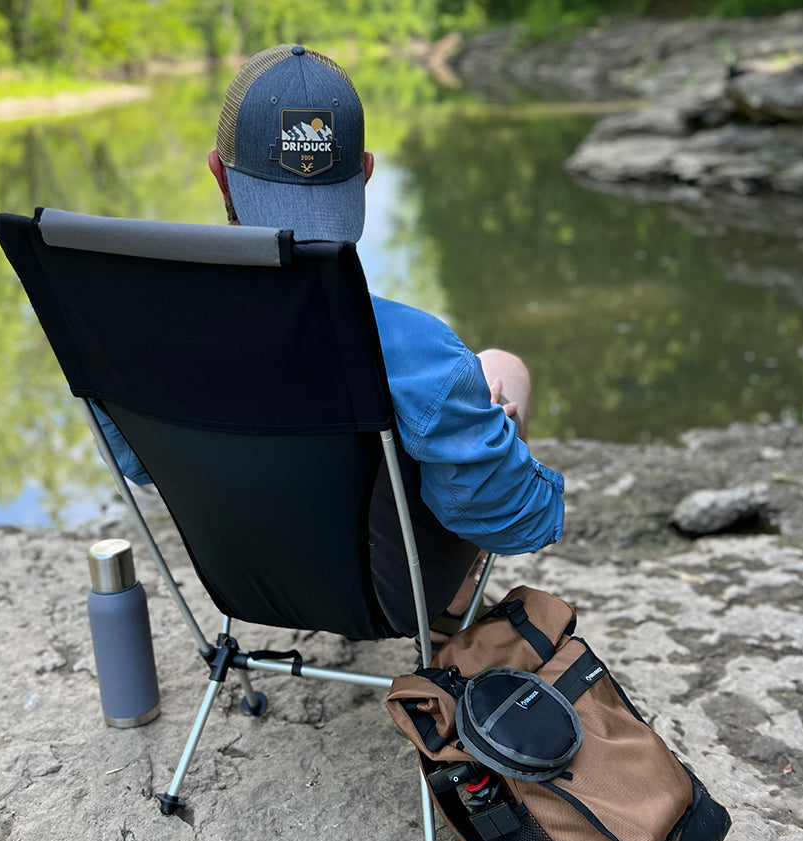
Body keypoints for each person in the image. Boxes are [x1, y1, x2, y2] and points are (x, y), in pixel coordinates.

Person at [98, 43, 565, 642]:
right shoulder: (417, 351)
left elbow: (139, 466)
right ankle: (458, 601)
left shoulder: (136, 333)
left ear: (218, 171)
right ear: (365, 172)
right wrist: (487, 433)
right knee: (502, 367)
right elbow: (517, 523)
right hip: (389, 597)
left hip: (245, 579)